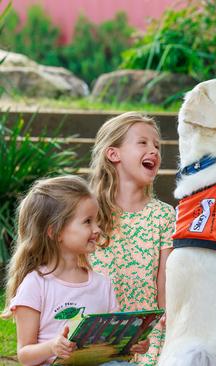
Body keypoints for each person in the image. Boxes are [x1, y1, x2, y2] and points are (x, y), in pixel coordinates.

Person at [1, 175, 149, 365]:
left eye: (96, 221)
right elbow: (24, 354)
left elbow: (111, 344)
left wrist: (131, 344)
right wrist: (52, 347)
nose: (96, 229)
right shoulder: (36, 283)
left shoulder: (102, 284)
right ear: (55, 231)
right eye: (87, 221)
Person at [88, 112, 175, 366]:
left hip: (147, 335)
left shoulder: (164, 215)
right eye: (143, 143)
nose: (154, 151)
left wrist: (168, 326)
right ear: (113, 154)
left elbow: (164, 284)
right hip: (98, 332)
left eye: (157, 145)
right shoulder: (89, 212)